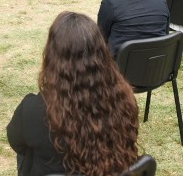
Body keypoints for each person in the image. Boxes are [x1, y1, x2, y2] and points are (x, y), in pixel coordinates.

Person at [7, 11, 140, 176]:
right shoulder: (124, 99)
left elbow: (17, 143)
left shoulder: (32, 110)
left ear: (52, 56)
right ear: (101, 53)